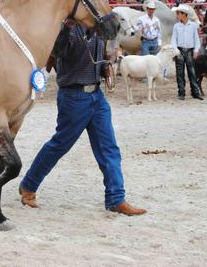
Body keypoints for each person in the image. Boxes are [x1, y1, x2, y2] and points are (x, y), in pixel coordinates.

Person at [19, 20, 146, 216]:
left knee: (109, 148)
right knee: (59, 145)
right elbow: (59, 51)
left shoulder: (98, 27)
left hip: (96, 95)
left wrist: (104, 65)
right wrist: (67, 27)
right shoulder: (66, 28)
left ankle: (116, 198)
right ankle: (28, 185)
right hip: (73, 96)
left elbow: (100, 54)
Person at [171, 4, 204, 100]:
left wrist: (196, 50)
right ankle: (181, 92)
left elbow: (196, 39)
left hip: (189, 50)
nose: (177, 15)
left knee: (192, 72)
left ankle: (195, 92)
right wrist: (176, 50)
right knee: (180, 73)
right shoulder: (176, 26)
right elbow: (174, 40)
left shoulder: (193, 26)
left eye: (179, 13)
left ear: (184, 14)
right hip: (180, 50)